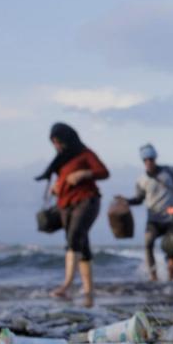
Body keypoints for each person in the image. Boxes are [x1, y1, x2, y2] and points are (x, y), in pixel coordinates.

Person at [36, 122, 109, 307]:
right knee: (81, 244)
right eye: (53, 142)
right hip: (65, 205)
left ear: (67, 138)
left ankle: (66, 285)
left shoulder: (85, 153)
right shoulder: (60, 159)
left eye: (58, 141)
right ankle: (88, 289)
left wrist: (84, 173)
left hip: (87, 200)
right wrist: (56, 187)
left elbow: (104, 172)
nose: (56, 145)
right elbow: (61, 180)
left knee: (74, 236)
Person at [119, 144, 173, 282]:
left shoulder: (169, 171)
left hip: (172, 215)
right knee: (148, 243)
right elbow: (139, 199)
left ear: (155, 158)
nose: (149, 162)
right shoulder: (141, 180)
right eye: (146, 160)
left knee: (172, 249)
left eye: (151, 159)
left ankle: (171, 279)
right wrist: (127, 201)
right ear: (143, 161)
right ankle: (154, 278)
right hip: (153, 219)